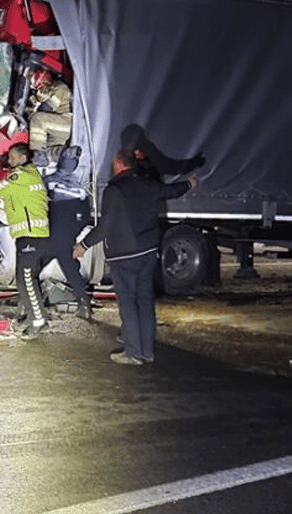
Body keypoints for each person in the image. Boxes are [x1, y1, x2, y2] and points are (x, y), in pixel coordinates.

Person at [74, 150, 199, 365]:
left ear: (120, 164)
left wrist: (84, 245)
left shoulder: (115, 189)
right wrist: (189, 184)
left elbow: (105, 226)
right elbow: (171, 191)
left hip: (124, 255)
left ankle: (133, 352)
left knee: (128, 303)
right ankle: (147, 351)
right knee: (145, 301)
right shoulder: (148, 184)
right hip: (148, 252)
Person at [0, 143, 52, 339]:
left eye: (11, 157)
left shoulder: (20, 176)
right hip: (30, 235)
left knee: (26, 280)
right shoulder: (29, 175)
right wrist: (0, 203)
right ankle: (31, 317)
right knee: (22, 280)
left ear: (22, 158)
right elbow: (17, 202)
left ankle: (38, 321)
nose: (8, 161)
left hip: (31, 236)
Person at [43, 145, 95, 319]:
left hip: (48, 236)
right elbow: (85, 216)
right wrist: (73, 232)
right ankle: (84, 305)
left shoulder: (48, 181)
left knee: (31, 271)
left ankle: (26, 306)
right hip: (66, 239)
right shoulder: (79, 188)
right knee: (72, 273)